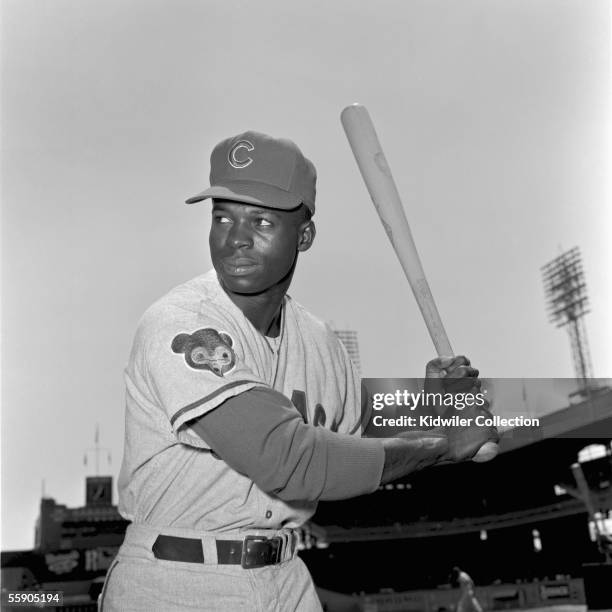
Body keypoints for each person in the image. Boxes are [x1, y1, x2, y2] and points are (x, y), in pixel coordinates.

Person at [99, 130, 498, 611]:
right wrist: (443, 448)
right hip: (178, 581)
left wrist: (439, 408)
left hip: (287, 577)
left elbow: (359, 444)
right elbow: (285, 459)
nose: (236, 238)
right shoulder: (181, 321)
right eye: (222, 217)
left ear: (303, 236)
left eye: (261, 220)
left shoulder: (319, 341)